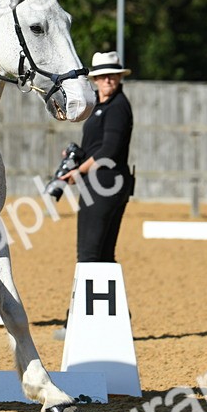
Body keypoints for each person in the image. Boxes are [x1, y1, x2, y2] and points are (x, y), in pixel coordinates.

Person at [65, 51, 135, 261]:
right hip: (101, 184)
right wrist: (78, 155)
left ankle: (90, 295)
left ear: (120, 77)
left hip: (105, 185)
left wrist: (78, 171)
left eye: (112, 75)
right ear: (95, 79)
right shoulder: (103, 105)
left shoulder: (116, 107)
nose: (107, 79)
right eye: (103, 75)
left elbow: (109, 151)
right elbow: (98, 146)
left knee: (89, 253)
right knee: (102, 253)